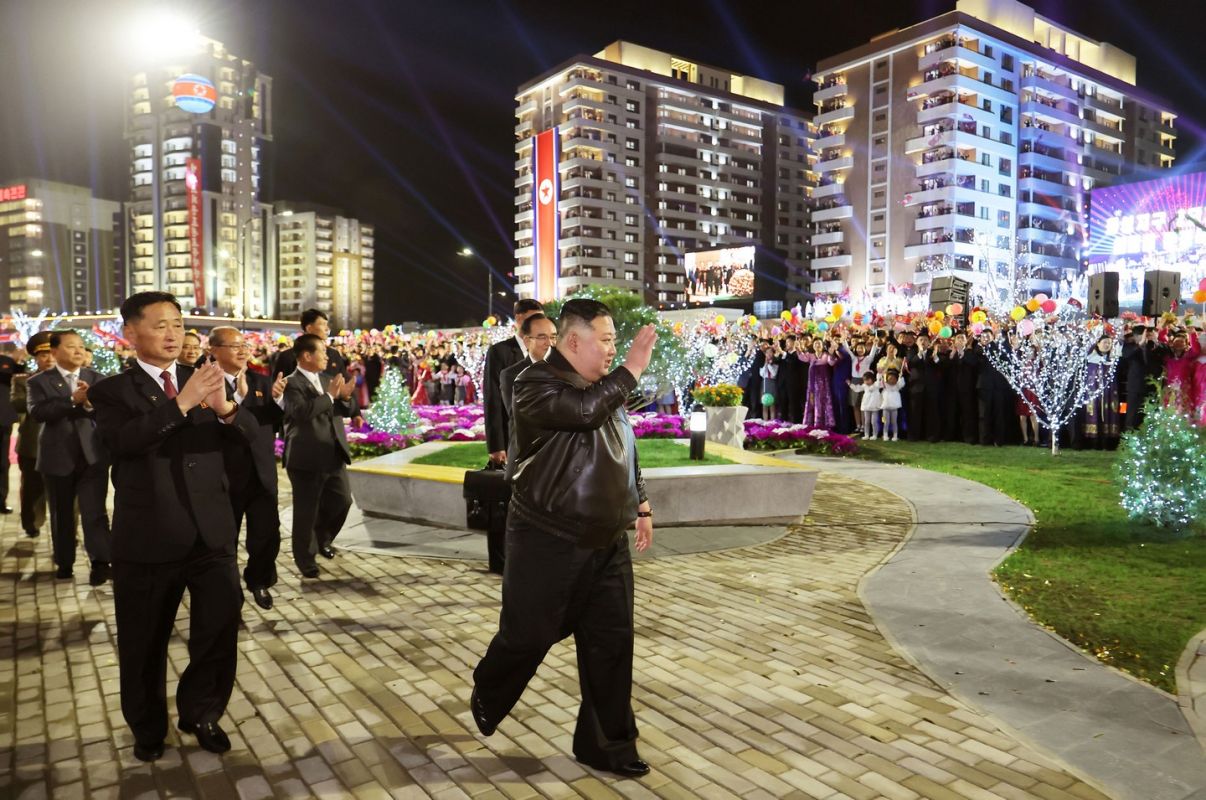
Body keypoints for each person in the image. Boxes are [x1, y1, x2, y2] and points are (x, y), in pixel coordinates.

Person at [471, 299, 657, 779]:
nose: (614, 350)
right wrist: (632, 369)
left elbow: (626, 448)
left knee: (611, 645)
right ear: (574, 341)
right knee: (528, 636)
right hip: (548, 538)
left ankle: (608, 745)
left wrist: (641, 505)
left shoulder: (605, 389)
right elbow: (583, 412)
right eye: (606, 340)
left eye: (615, 342)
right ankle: (489, 688)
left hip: (606, 541)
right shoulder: (533, 382)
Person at [90, 291, 260, 762]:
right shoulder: (111, 392)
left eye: (178, 324)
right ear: (131, 333)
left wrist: (227, 410)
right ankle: (147, 727)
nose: (172, 333)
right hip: (149, 537)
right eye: (160, 324)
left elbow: (251, 443)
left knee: (219, 630)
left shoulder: (203, 379)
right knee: (144, 642)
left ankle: (202, 712)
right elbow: (123, 443)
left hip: (212, 534)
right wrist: (181, 404)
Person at [208, 326, 288, 610]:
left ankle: (259, 579)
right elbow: (215, 427)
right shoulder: (205, 383)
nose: (242, 350)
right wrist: (239, 401)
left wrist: (278, 401)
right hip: (225, 476)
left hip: (261, 472)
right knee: (224, 539)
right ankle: (229, 592)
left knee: (267, 535)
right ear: (214, 350)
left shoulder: (261, 380)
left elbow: (269, 421)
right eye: (234, 346)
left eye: (244, 345)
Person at [27, 330, 112, 584]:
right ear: (54, 352)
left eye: (81, 346)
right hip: (57, 457)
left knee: (95, 512)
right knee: (61, 513)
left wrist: (89, 403)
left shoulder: (97, 379)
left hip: (92, 456)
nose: (78, 351)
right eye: (71, 346)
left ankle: (101, 563)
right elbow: (38, 412)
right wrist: (73, 400)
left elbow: (109, 412)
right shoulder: (38, 382)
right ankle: (65, 562)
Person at [282, 333, 358, 579]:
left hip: (333, 453)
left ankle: (323, 538)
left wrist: (346, 397)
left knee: (343, 501)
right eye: (322, 352)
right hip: (306, 457)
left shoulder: (327, 380)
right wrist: (330, 397)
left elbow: (344, 409)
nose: (327, 356)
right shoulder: (290, 383)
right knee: (307, 511)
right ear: (307, 355)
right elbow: (301, 412)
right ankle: (305, 559)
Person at [483, 299, 544, 465]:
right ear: (519, 318)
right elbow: (492, 398)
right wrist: (496, 445)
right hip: (512, 437)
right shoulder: (499, 351)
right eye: (533, 318)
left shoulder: (546, 350)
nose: (538, 324)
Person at [11, 333, 53, 537]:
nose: (49, 358)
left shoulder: (71, 379)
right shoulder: (23, 380)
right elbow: (18, 404)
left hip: (63, 445)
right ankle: (31, 523)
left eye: (52, 353)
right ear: (36, 358)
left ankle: (65, 529)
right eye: (43, 355)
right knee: (31, 488)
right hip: (32, 444)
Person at [499, 313, 557, 418]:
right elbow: (517, 417)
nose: (549, 343)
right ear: (527, 341)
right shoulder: (512, 375)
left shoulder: (568, 369)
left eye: (553, 337)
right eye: (542, 337)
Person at [271, 309, 349, 380]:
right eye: (323, 324)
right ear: (309, 328)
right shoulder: (287, 357)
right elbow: (277, 385)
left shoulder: (333, 354)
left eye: (327, 324)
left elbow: (344, 381)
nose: (327, 329)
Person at [0, 346, 19, 515]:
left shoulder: (6, 361)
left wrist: (19, 360)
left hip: (2, 418)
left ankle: (0, 500)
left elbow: (18, 374)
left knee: (2, 462)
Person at [879, 368, 905, 441]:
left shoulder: (897, 386)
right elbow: (879, 382)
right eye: (890, 379)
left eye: (894, 379)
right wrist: (880, 374)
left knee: (894, 422)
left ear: (896, 379)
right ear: (887, 379)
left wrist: (901, 376)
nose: (892, 380)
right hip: (885, 408)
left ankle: (895, 435)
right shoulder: (885, 385)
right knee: (885, 422)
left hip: (894, 408)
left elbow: (902, 383)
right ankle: (885, 435)